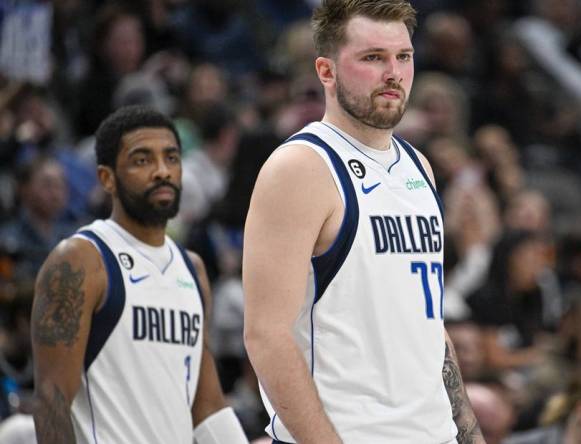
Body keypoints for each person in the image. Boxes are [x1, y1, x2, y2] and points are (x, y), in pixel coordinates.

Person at [242, 1, 484, 443]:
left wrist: (468, 434)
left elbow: (428, 326)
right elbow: (266, 336)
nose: (393, 72)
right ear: (326, 71)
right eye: (373, 58)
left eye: (403, 57)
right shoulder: (301, 168)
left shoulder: (419, 168)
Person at [30, 106, 247, 444]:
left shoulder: (193, 269)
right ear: (107, 178)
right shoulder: (81, 260)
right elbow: (51, 398)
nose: (162, 171)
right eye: (142, 160)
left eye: (171, 158)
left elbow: (207, 406)